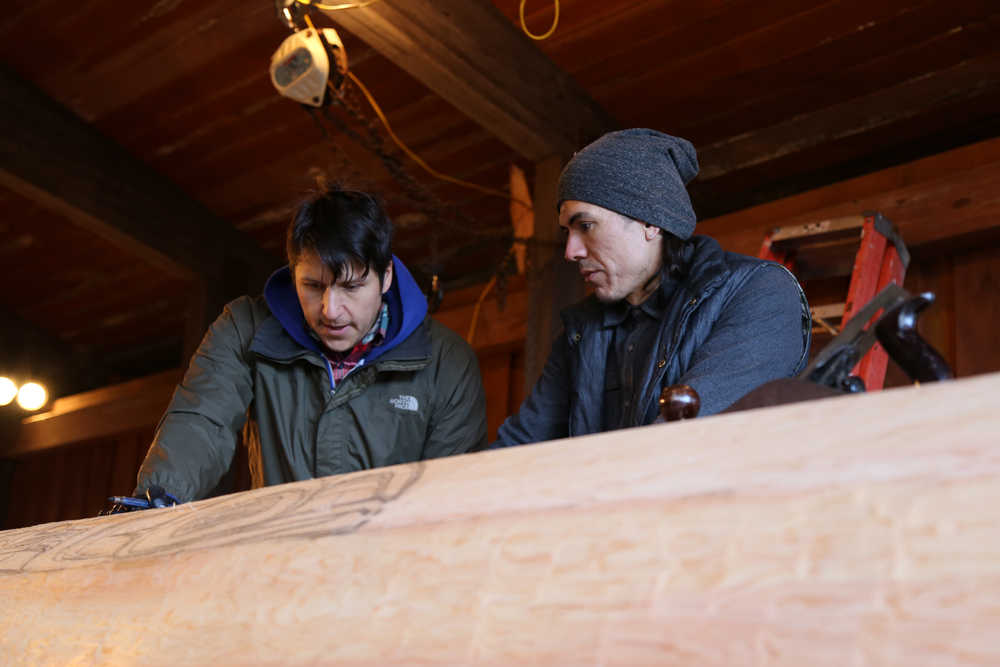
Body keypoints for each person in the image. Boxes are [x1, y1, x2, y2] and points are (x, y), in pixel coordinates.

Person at [135, 186, 488, 502]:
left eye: (351, 287)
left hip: (389, 567)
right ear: (293, 274)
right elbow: (202, 418)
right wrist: (159, 498)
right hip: (278, 561)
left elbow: (449, 493)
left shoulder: (445, 361)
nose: (330, 311)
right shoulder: (245, 328)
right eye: (314, 286)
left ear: (386, 277)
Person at [494, 129, 811, 447]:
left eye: (586, 226)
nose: (571, 251)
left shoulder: (757, 292)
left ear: (650, 221)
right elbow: (519, 444)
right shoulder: (581, 333)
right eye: (568, 232)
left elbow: (684, 441)